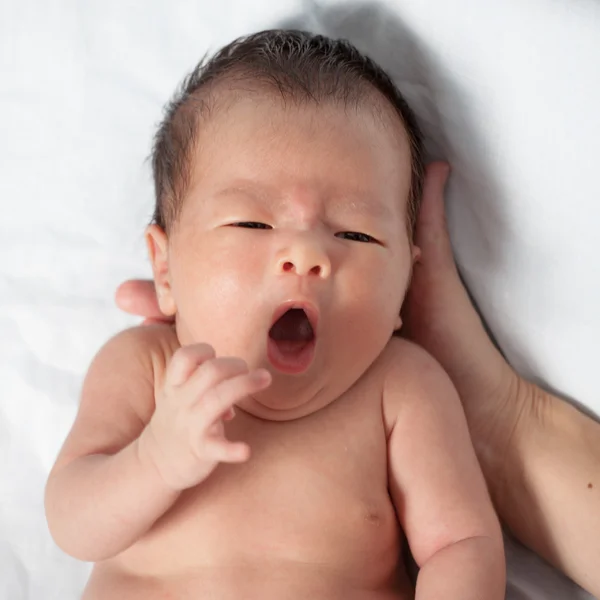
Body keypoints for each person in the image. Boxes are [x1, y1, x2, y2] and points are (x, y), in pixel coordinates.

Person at [44, 30, 506, 600]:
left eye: (355, 233)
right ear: (165, 270)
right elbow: (72, 521)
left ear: (405, 284)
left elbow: (459, 545)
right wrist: (155, 461)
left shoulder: (402, 389)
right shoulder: (145, 369)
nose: (306, 255)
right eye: (251, 224)